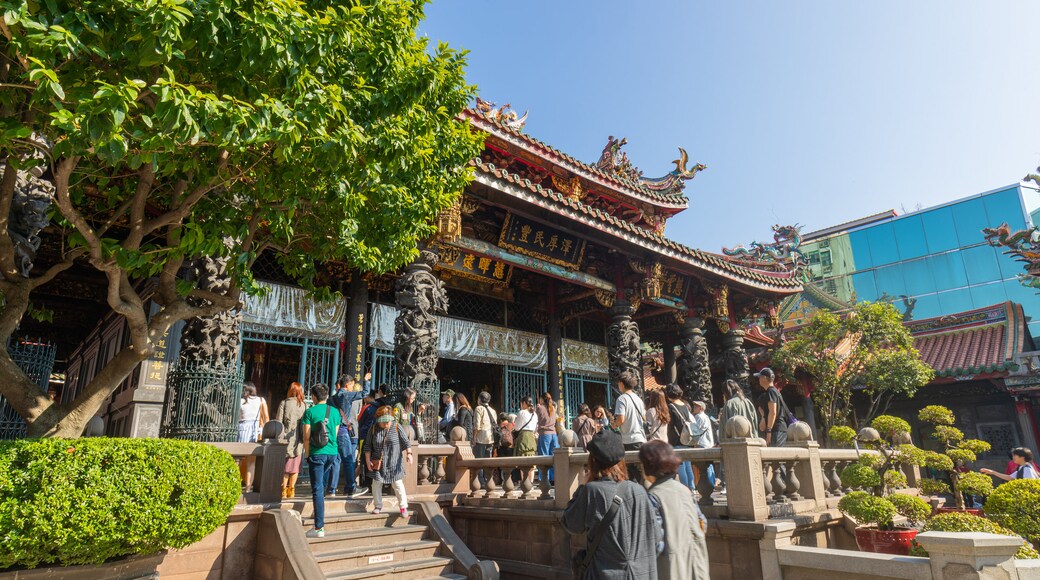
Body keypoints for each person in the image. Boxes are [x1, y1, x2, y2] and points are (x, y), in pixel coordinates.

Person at [561, 429, 659, 579]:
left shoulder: (591, 492)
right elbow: (656, 537)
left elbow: (569, 523)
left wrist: (581, 487)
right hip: (642, 574)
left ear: (593, 461)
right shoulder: (640, 491)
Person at [639, 441, 711, 580]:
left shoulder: (654, 497)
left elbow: (656, 544)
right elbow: (703, 523)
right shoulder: (685, 490)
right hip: (698, 566)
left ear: (648, 465)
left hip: (671, 571)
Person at [300, 383, 342, 538]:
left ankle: (319, 528)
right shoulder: (335, 412)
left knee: (317, 488)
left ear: (314, 396)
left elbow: (306, 436)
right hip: (332, 452)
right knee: (321, 486)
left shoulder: (309, 412)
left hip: (317, 453)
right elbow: (335, 434)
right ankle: (319, 513)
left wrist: (307, 454)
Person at [364, 406, 414, 518]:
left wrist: (409, 454)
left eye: (387, 421)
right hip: (379, 462)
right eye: (383, 422)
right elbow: (367, 446)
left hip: (394, 461)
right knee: (376, 484)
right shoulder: (373, 428)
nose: (386, 424)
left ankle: (403, 507)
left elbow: (406, 442)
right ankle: (378, 505)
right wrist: (368, 460)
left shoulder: (396, 426)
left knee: (398, 484)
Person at [328, 373, 371, 498]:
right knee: (348, 459)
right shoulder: (346, 395)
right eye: (352, 385)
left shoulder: (332, 398)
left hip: (333, 430)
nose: (353, 387)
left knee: (335, 460)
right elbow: (364, 394)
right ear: (347, 385)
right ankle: (351, 488)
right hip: (342, 430)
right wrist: (366, 380)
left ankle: (331, 489)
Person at [611, 369, 646, 482]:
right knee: (638, 472)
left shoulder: (622, 399)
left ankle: (645, 497)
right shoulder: (638, 399)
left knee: (634, 473)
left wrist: (613, 425)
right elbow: (644, 417)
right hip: (640, 438)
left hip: (629, 440)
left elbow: (621, 419)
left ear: (621, 383)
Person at [275, 382, 307, 499]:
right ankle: (291, 490)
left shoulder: (284, 403)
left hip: (286, 439)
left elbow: (279, 422)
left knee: (285, 467)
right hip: (298, 440)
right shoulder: (303, 405)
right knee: (295, 466)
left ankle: (283, 490)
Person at [237, 382, 269, 492]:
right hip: (255, 430)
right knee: (252, 461)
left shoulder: (240, 401)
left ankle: (235, 484)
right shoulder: (261, 400)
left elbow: (238, 417)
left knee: (238, 460)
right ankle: (248, 488)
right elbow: (266, 417)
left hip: (242, 428)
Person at [664, 384, 696, 491]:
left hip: (677, 439)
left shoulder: (671, 407)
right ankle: (691, 488)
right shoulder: (685, 406)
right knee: (688, 466)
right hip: (687, 439)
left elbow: (670, 425)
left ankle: (685, 489)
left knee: (681, 466)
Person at [358, 384, 388, 490]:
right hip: (380, 435)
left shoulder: (367, 407)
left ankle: (365, 483)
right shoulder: (385, 406)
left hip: (365, 435)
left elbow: (360, 421)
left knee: (364, 459)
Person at [754, 367, 788, 448]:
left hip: (777, 429)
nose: (759, 379)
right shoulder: (774, 391)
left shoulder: (771, 391)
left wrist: (769, 431)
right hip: (777, 429)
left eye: (760, 377)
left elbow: (773, 412)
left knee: (775, 456)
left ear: (764, 378)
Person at [689, 401, 716, 489]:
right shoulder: (706, 417)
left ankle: (708, 485)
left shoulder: (698, 417)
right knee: (709, 465)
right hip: (708, 443)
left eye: (696, 406)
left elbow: (696, 430)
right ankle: (712, 483)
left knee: (704, 466)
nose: (694, 408)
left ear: (701, 408)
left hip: (701, 443)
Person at [473, 392, 497, 484]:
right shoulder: (493, 410)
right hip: (490, 438)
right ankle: (489, 480)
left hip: (480, 438)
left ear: (479, 399)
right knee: (488, 461)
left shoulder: (479, 408)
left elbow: (476, 425)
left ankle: (481, 482)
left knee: (479, 461)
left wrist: (474, 438)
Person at [536, 392, 559, 481]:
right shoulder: (553, 408)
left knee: (544, 457)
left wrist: (537, 407)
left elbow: (537, 419)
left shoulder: (540, 408)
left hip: (545, 434)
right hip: (553, 434)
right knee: (553, 457)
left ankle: (544, 478)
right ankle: (554, 478)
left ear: (542, 399)